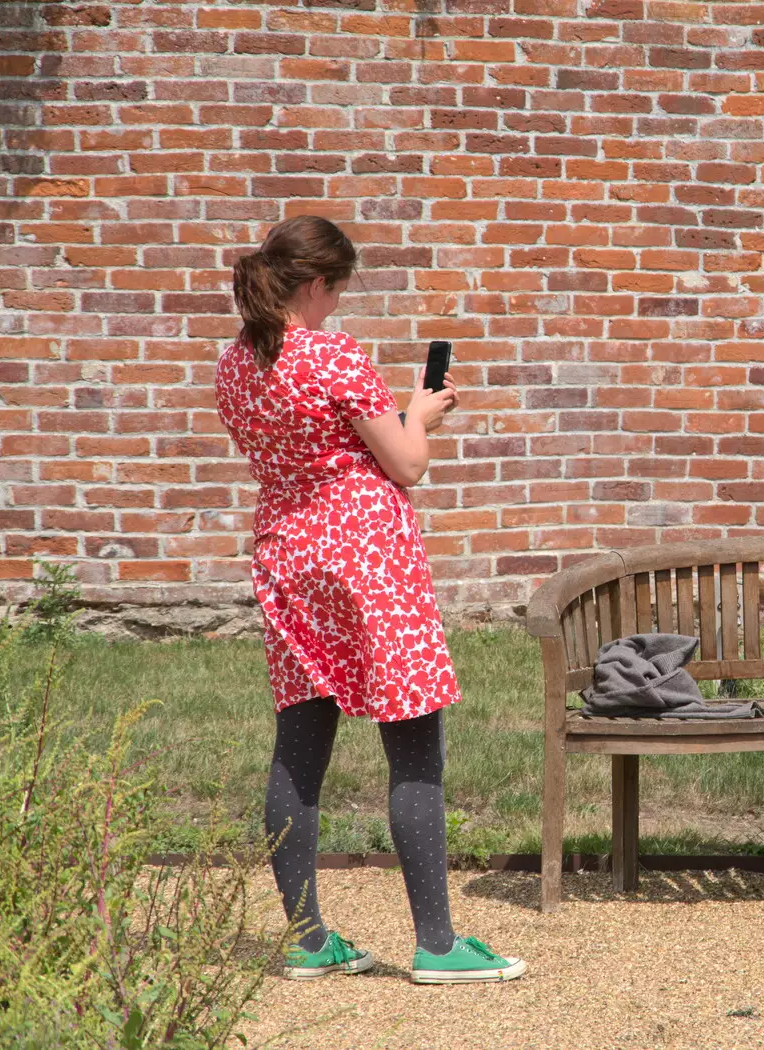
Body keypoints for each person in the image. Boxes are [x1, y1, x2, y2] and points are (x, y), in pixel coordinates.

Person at [214, 215, 525, 985]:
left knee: (299, 745)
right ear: (316, 283)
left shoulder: (234, 362)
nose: (336, 306)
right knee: (413, 740)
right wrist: (419, 415)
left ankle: (308, 939)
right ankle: (439, 946)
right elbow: (406, 464)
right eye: (336, 291)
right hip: (364, 558)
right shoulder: (334, 355)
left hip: (288, 554)